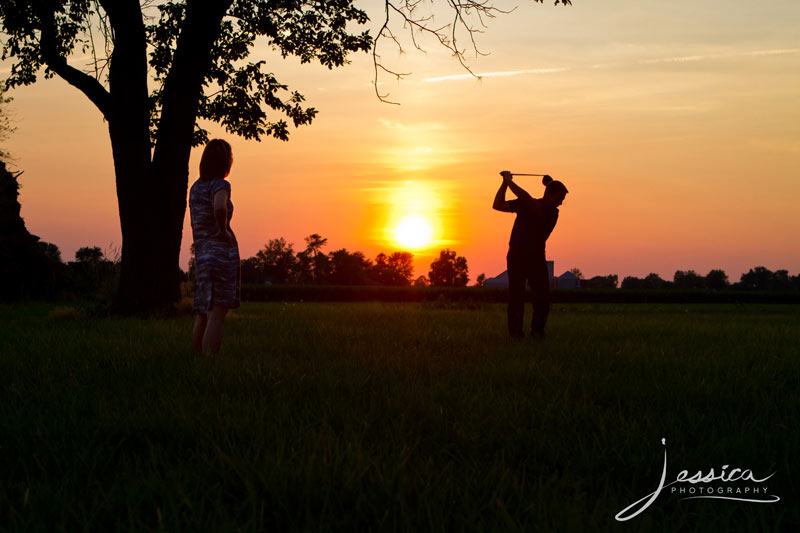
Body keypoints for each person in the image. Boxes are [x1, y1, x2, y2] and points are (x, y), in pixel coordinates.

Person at [492, 170, 568, 339]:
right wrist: (504, 183)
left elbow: (527, 199)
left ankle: (537, 332)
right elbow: (497, 205)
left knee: (542, 299)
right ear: (549, 194)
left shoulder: (551, 212)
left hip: (536, 258)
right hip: (516, 257)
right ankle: (516, 335)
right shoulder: (527, 204)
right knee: (516, 298)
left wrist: (509, 181)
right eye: (559, 198)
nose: (561, 203)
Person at [189, 139, 240, 354]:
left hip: (201, 255)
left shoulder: (195, 187)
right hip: (220, 253)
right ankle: (210, 363)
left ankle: (195, 358)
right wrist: (223, 229)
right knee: (217, 314)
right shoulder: (221, 185)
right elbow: (220, 206)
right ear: (226, 162)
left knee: (203, 313)